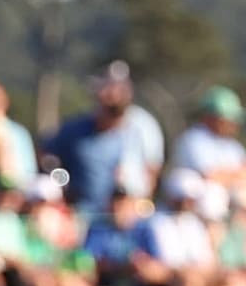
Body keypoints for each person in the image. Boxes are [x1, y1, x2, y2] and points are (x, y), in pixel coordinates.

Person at [45, 63, 165, 215]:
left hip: (128, 217)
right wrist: (64, 188)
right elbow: (49, 161)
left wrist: (140, 204)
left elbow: (152, 171)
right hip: (83, 214)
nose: (113, 95)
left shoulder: (144, 128)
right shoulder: (74, 131)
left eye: (119, 90)